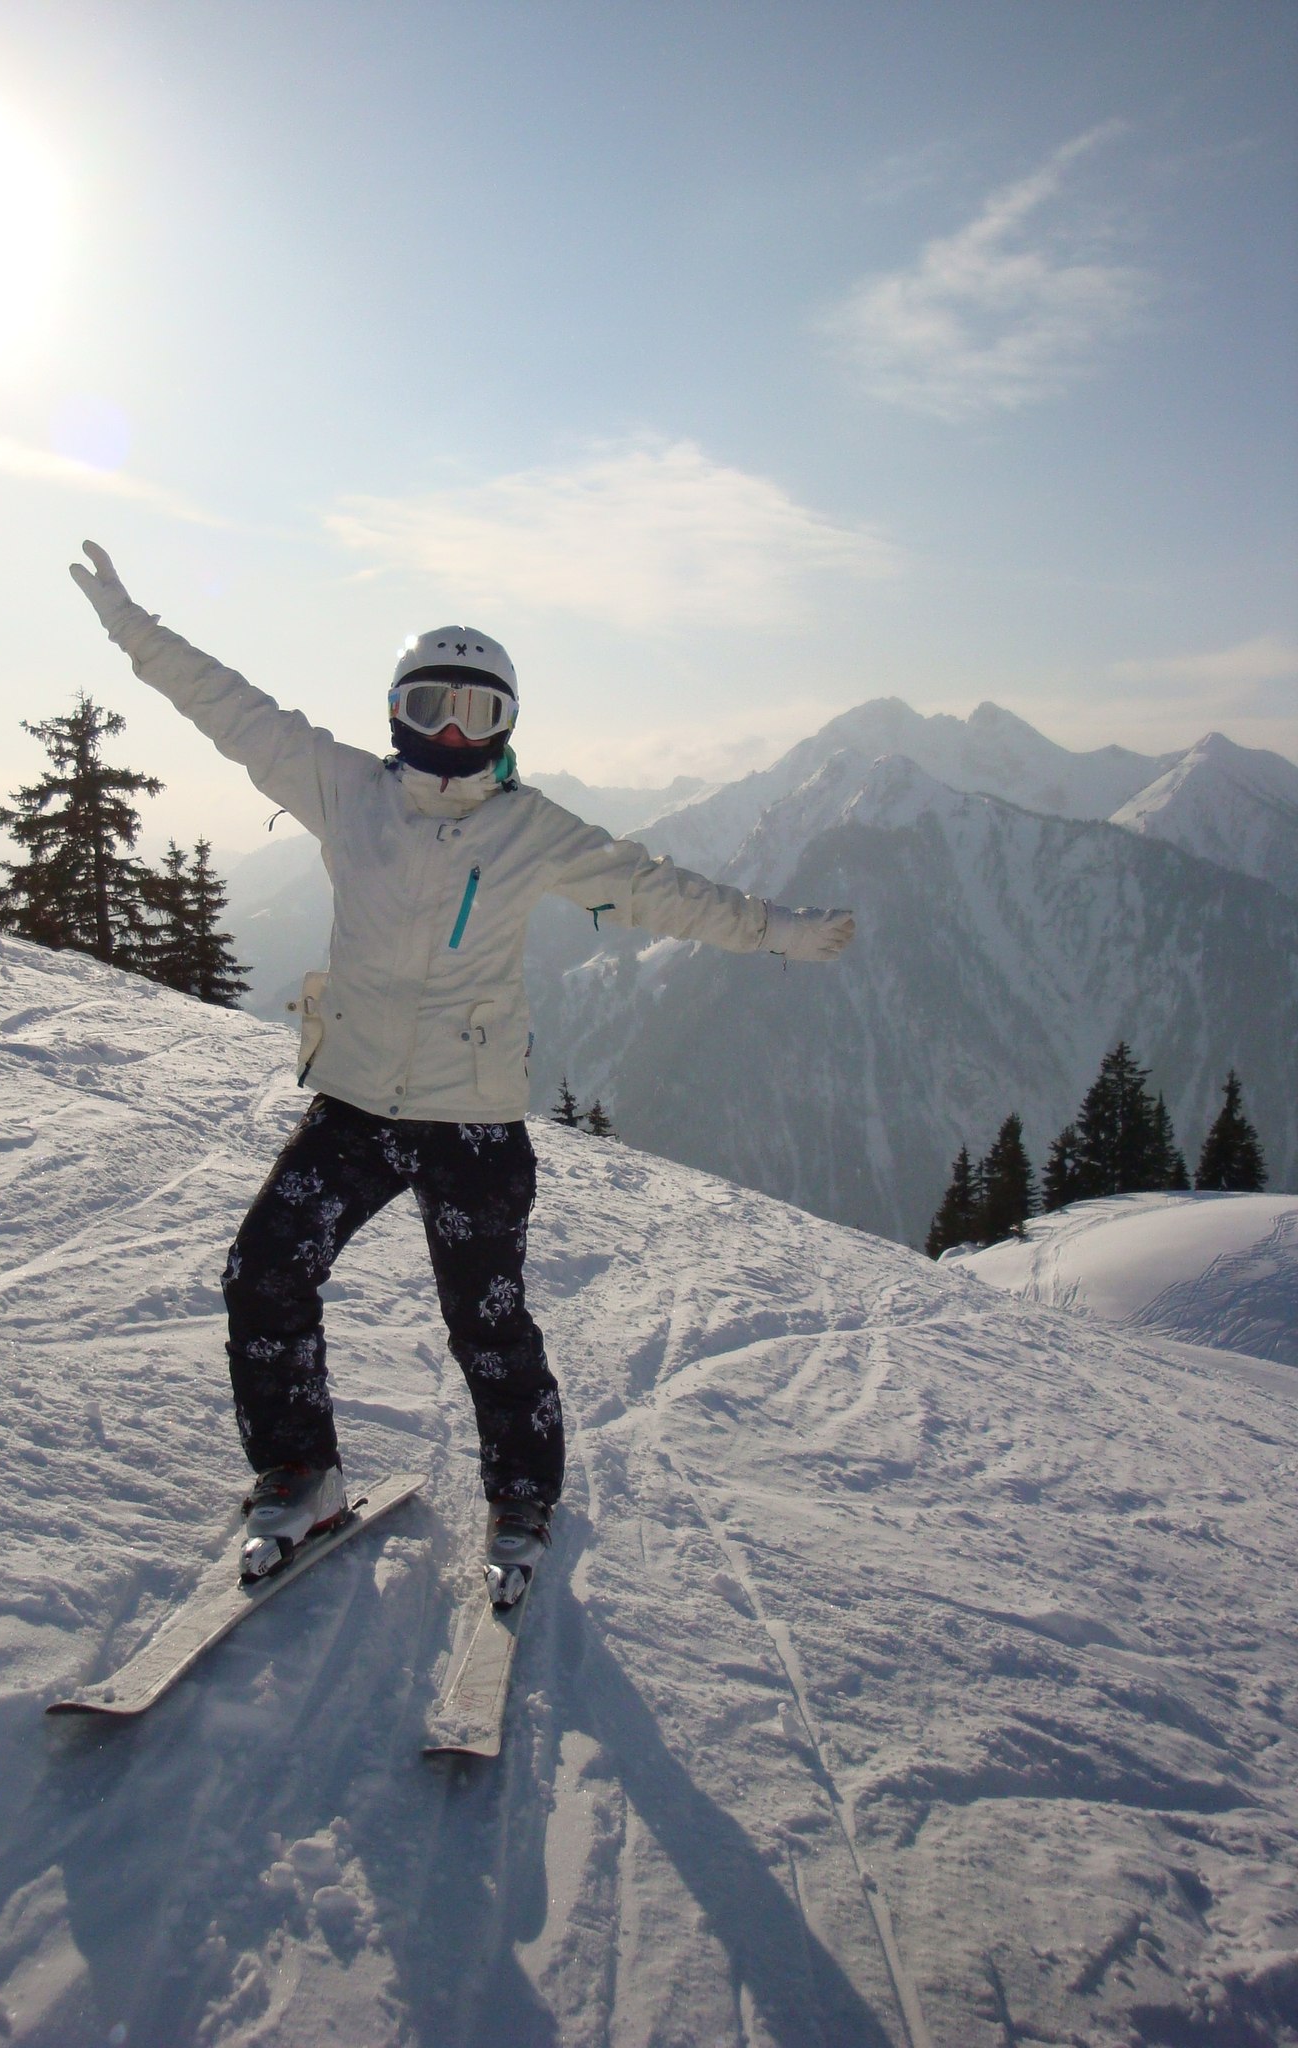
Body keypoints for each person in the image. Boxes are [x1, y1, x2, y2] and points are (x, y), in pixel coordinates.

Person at [70, 543, 855, 1602]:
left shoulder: (533, 831)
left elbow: (661, 890)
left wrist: (778, 932)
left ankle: (522, 1495)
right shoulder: (345, 789)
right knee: (264, 1271)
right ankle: (300, 1471)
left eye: (477, 713)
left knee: (487, 1320)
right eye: (431, 705)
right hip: (355, 1106)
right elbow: (234, 709)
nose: (451, 732)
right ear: (396, 711)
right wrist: (133, 627)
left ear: (507, 728)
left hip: (472, 1121)